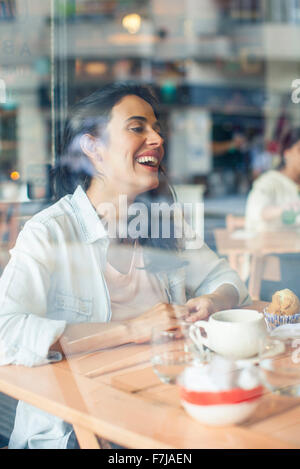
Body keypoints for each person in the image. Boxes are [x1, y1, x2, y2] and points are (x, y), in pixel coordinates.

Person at [0, 82, 250, 449]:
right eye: (138, 127)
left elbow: (226, 279)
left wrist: (214, 302)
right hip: (78, 431)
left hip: (165, 411)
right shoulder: (50, 232)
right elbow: (6, 333)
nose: (157, 139)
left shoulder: (165, 223)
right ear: (92, 148)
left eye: (157, 128)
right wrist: (131, 328)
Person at [245, 128, 300, 232]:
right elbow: (257, 212)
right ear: (287, 153)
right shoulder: (269, 182)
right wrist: (283, 210)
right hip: (272, 245)